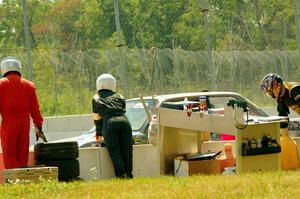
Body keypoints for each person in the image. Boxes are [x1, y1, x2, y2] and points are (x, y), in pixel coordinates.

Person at [0, 56, 45, 169]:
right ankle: (22, 178)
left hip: (8, 122)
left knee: (9, 153)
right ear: (19, 68)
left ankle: (13, 180)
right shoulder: (29, 85)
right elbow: (35, 109)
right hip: (25, 123)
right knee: (22, 152)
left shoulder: (1, 85)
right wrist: (38, 126)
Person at [92, 74, 133, 178]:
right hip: (125, 122)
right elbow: (123, 109)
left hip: (110, 123)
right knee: (127, 150)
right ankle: (129, 175)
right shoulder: (120, 96)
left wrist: (98, 133)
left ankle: (121, 175)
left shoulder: (96, 98)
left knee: (115, 150)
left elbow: (97, 119)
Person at [260, 73, 300, 170]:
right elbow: (283, 116)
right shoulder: (281, 97)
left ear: (275, 85)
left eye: (270, 91)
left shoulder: (294, 90)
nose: (270, 94)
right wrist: (283, 136)